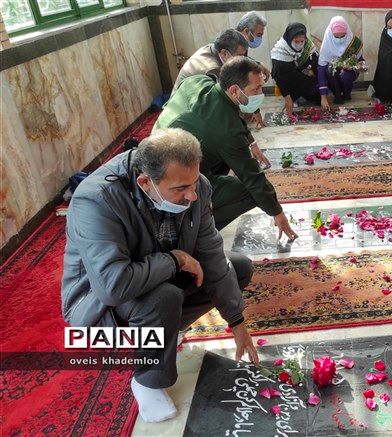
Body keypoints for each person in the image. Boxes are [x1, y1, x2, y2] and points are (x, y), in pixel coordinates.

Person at [61, 128, 260, 423]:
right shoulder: (96, 200)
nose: (191, 195)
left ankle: (164, 329)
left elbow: (212, 255)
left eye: (193, 184)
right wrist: (174, 260)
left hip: (153, 275)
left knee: (237, 267)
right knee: (164, 297)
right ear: (145, 182)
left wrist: (237, 320)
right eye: (180, 189)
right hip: (100, 305)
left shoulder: (197, 188)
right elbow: (112, 287)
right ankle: (147, 380)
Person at [153, 57, 297, 238]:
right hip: (173, 186)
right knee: (250, 191)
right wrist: (277, 213)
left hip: (154, 164)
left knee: (220, 159)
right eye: (256, 89)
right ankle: (196, 233)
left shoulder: (198, 81)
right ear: (235, 90)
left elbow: (229, 115)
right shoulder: (228, 133)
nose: (261, 93)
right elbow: (253, 178)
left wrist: (251, 142)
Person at [173, 29, 248, 91]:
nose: (241, 60)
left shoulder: (213, 47)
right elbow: (222, 98)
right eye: (239, 56)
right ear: (224, 53)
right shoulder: (213, 70)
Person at [317, 16, 366, 110]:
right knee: (329, 69)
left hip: (349, 72)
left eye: (343, 36)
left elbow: (361, 61)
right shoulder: (327, 45)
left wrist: (359, 66)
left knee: (346, 76)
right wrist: (323, 97)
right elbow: (321, 71)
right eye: (336, 36)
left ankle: (347, 93)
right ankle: (337, 95)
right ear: (330, 34)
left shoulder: (353, 43)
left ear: (347, 33)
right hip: (332, 75)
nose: (339, 39)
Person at [270, 22, 320, 114]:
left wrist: (311, 70)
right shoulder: (280, 50)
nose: (300, 44)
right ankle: (293, 97)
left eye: (302, 41)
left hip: (303, 76)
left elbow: (316, 64)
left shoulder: (308, 46)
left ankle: (300, 95)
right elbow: (279, 76)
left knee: (317, 94)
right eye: (296, 41)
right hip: (289, 80)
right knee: (288, 77)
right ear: (289, 39)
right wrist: (288, 98)